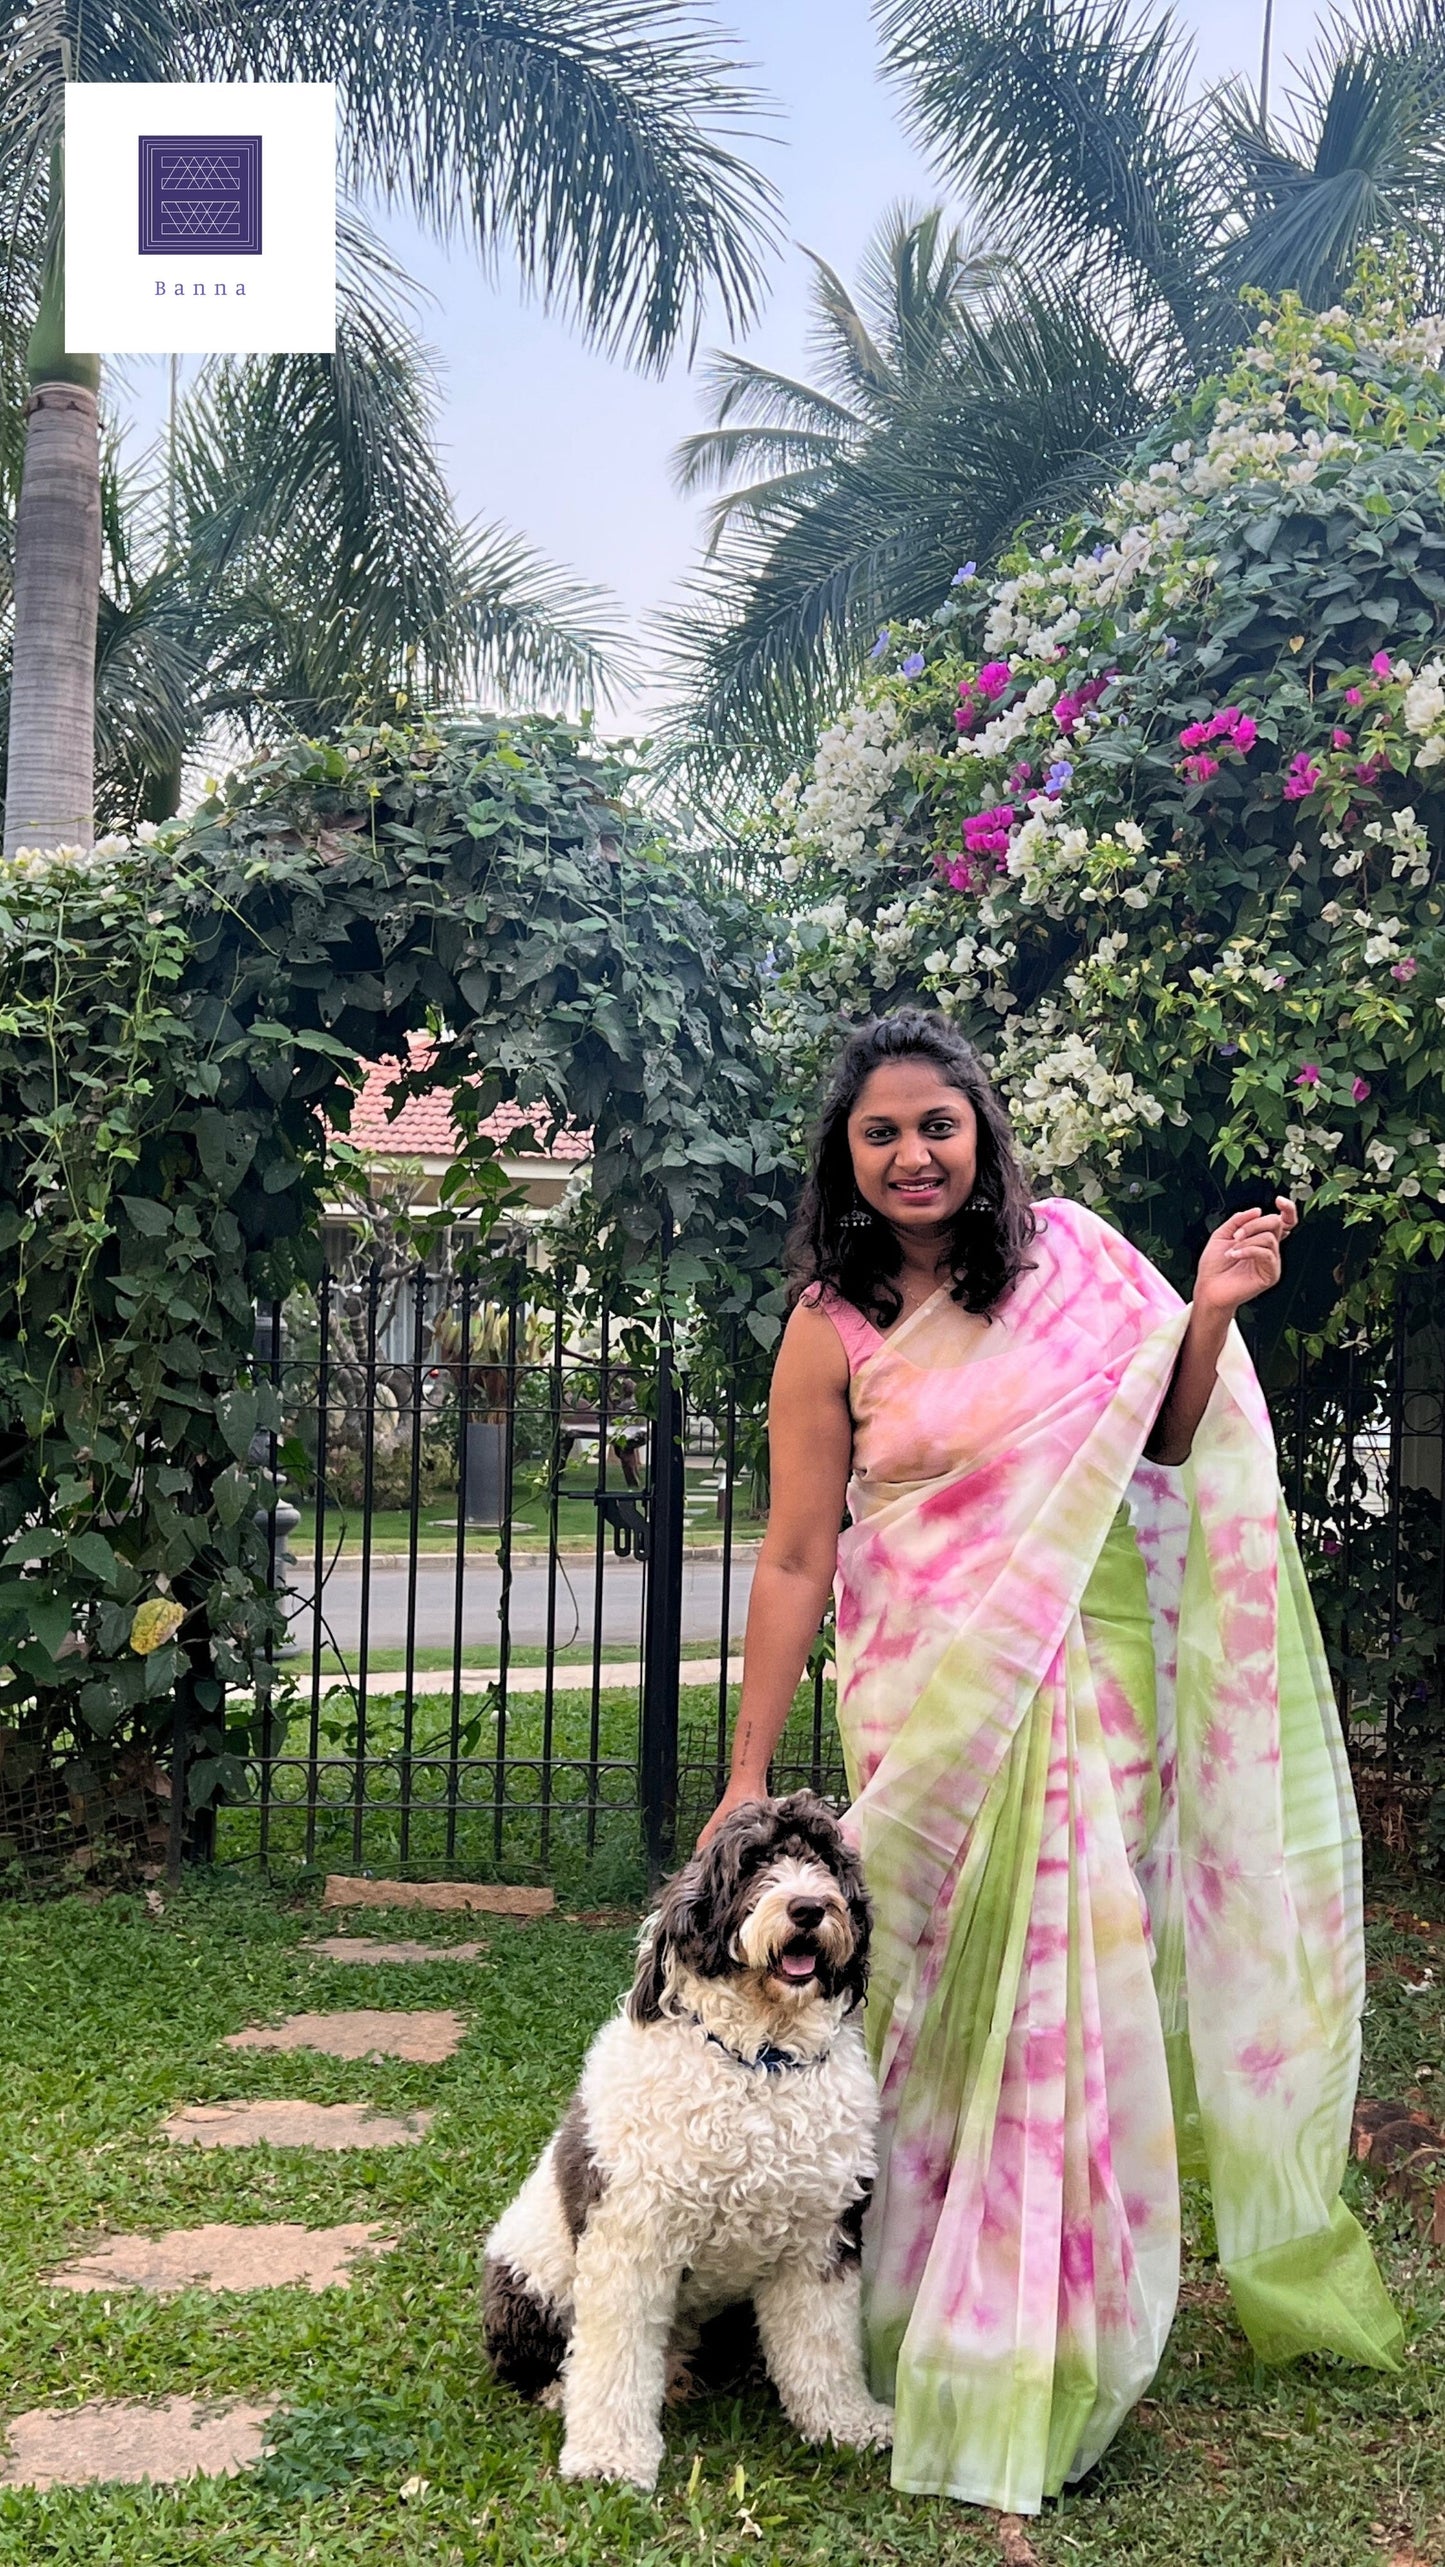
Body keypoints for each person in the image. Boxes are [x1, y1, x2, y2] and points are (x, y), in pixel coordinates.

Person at [701, 1009, 1401, 2516]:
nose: (910, 1154)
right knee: (942, 1990)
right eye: (879, 1133)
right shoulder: (827, 1329)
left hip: (1095, 1689)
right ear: (845, 1157)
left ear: (982, 1136)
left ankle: (1045, 2327)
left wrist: (1209, 1307)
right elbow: (796, 1553)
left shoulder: (1077, 1262)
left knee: (1076, 1992)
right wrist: (750, 1774)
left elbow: (1160, 1441)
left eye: (935, 1126)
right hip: (930, 1697)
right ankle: (909, 2298)